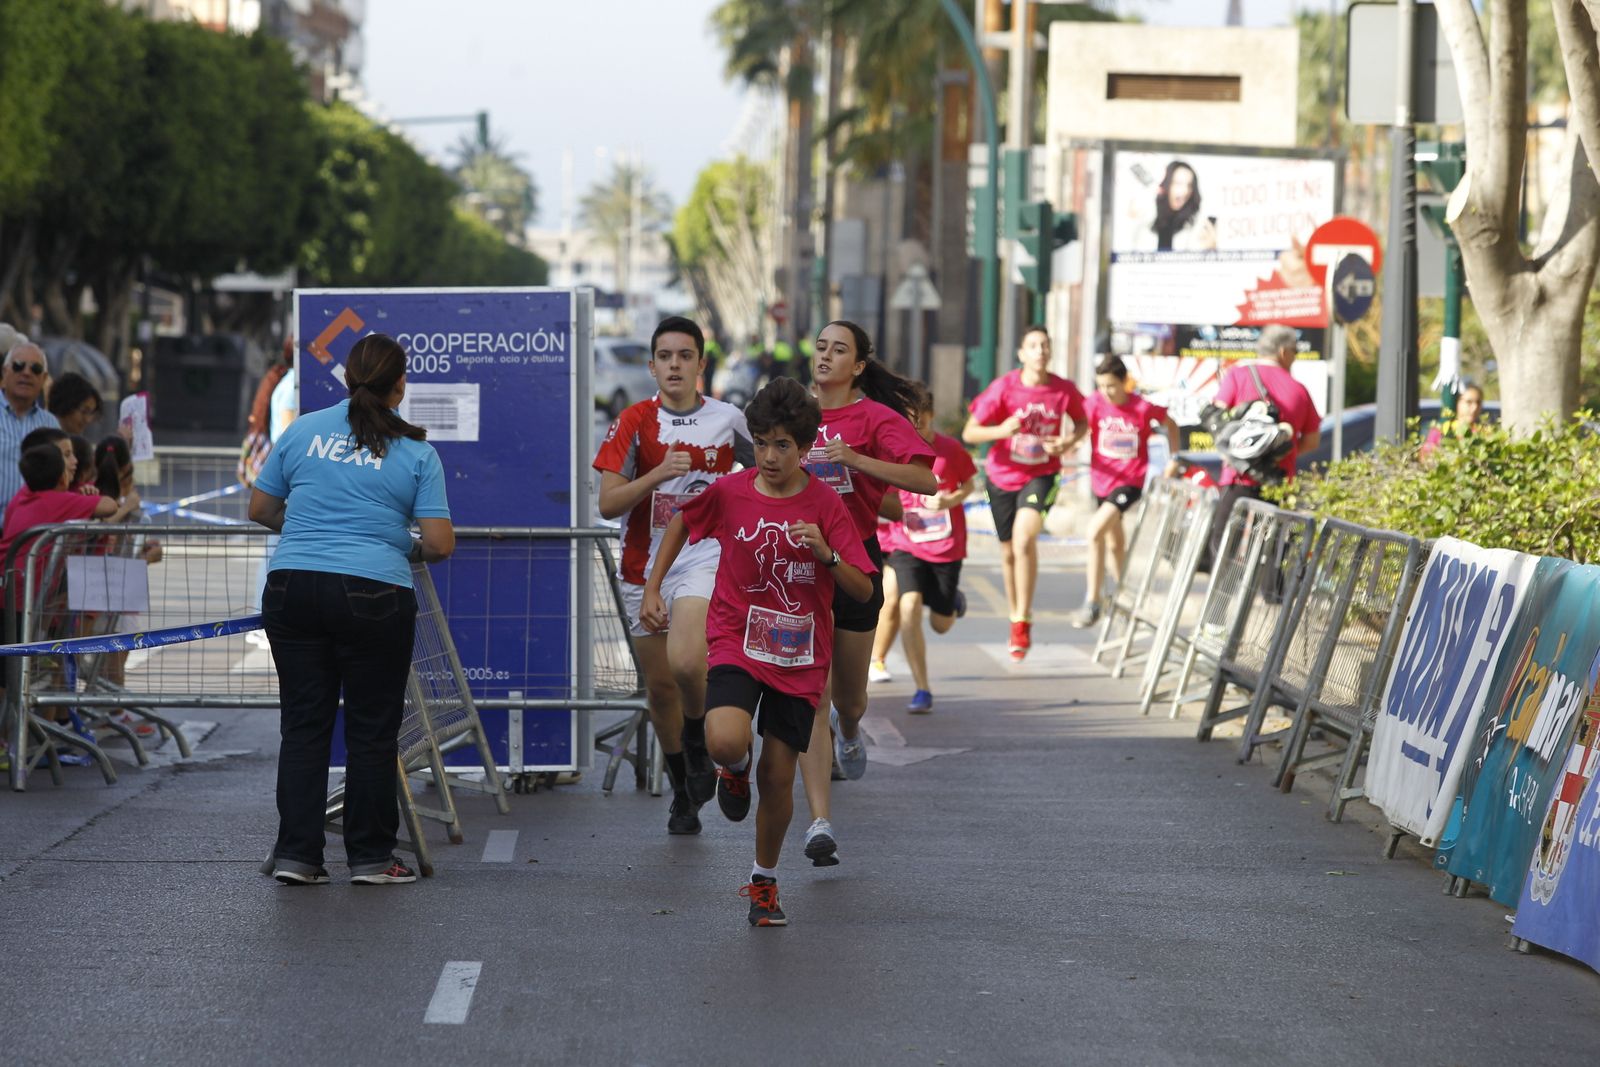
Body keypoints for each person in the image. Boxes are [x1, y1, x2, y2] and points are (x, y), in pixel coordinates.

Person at [642, 377, 873, 926]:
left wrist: (827, 555)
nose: (770, 456)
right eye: (762, 442)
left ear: (804, 446)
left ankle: (764, 882)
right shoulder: (732, 491)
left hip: (798, 656)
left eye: (783, 445)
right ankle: (732, 766)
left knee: (778, 778)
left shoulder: (824, 503)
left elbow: (863, 589)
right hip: (737, 640)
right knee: (724, 739)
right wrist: (654, 587)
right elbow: (681, 520)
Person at [249, 333, 454, 887]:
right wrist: (395, 544)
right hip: (374, 595)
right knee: (370, 731)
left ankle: (296, 855)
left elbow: (261, 507)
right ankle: (368, 858)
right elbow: (437, 544)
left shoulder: (304, 430)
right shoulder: (416, 452)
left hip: (293, 587)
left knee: (304, 726)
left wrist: (312, 535)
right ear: (400, 385)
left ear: (346, 378)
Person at [592, 315, 753, 836]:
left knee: (689, 662)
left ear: (702, 364)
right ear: (653, 366)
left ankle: (701, 743)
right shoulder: (634, 421)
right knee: (660, 688)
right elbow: (608, 504)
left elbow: (771, 470)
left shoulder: (730, 419)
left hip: (704, 556)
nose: (676, 365)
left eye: (686, 356)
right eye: (666, 357)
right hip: (642, 564)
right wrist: (658, 475)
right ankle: (684, 789)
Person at [796, 319, 935, 865]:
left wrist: (855, 462)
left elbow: (925, 482)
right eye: (821, 346)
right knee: (813, 692)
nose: (825, 355)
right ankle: (818, 821)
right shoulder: (795, 412)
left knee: (848, 699)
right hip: (800, 567)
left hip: (856, 563)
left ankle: (849, 730)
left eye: (839, 350)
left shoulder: (874, 418)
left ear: (857, 366)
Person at [963, 326, 1087, 661]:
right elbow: (970, 432)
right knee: (1007, 553)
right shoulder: (1004, 387)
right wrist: (1001, 430)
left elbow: (1081, 422)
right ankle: (1014, 615)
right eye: (1033, 345)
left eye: (1045, 345)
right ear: (1022, 353)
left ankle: (1023, 617)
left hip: (1042, 474)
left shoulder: (1063, 389)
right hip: (1002, 475)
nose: (1040, 351)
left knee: (1023, 539)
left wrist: (1068, 442)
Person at [873, 384, 977, 713]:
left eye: (922, 419)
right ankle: (922, 688)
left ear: (932, 416)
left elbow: (970, 484)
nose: (916, 426)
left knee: (940, 624)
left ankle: (952, 601)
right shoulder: (894, 452)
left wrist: (951, 499)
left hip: (946, 547)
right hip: (907, 545)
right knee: (908, 605)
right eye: (909, 419)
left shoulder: (951, 451)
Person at [1202, 325, 1322, 569]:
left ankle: (1221, 602)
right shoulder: (1299, 390)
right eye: (1295, 352)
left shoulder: (1238, 375)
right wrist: (1278, 452)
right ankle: (1270, 599)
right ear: (1283, 352)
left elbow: (1217, 417)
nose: (1295, 358)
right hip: (1277, 483)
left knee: (1224, 546)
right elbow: (1312, 440)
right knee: (1273, 551)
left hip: (1238, 476)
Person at [1075, 355, 1180, 628]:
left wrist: (1174, 458)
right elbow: (1079, 425)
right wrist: (1067, 442)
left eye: (1111, 386)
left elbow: (1171, 424)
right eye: (1101, 386)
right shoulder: (1094, 403)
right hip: (1101, 480)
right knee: (1114, 543)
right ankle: (1123, 596)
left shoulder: (1141, 408)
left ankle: (1092, 600)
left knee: (1094, 532)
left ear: (1124, 383)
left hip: (1129, 481)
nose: (1106, 392)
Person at [0, 343, 61, 530]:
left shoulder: (51, 425)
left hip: (36, 539)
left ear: (43, 379)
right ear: (4, 373)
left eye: (35, 369)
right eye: (18, 365)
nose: (26, 373)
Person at [1149, 160, 1217, 252]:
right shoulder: (1149, 221)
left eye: (1189, 185)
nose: (1185, 191)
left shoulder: (1198, 224)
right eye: (1178, 183)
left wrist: (1211, 249)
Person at [1421, 383, 1485, 456]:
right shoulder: (1441, 430)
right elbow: (1425, 457)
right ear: (1457, 402)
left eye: (1478, 402)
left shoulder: (1482, 433)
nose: (1474, 408)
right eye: (1469, 402)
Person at [47, 373, 104, 437]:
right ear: (65, 405)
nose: (88, 420)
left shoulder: (77, 444)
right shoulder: (41, 440)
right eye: (84, 411)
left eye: (91, 413)